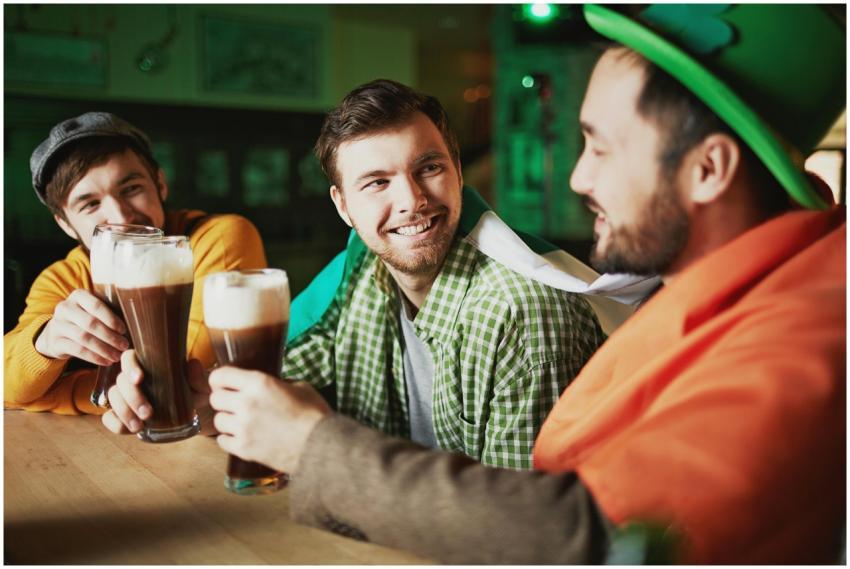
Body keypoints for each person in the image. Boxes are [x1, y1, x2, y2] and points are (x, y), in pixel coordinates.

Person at [110, 3, 844, 563]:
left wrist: (310, 447)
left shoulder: (806, 343)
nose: (578, 177)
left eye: (599, 146)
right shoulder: (714, 288)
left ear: (709, 168)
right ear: (342, 203)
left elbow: (584, 536)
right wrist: (208, 397)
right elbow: (302, 381)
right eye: (374, 182)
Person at [106, 79, 656, 468]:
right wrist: (195, 398)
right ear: (343, 207)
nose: (412, 200)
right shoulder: (365, 274)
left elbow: (523, 529)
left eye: (429, 168)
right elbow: (291, 376)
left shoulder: (524, 315)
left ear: (459, 174)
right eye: (376, 183)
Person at [4, 112, 267, 415]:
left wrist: (56, 394)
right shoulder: (65, 277)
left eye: (131, 189)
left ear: (160, 183)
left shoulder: (218, 237)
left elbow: (180, 379)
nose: (120, 217)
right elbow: (7, 384)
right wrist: (46, 343)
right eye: (90, 204)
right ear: (64, 224)